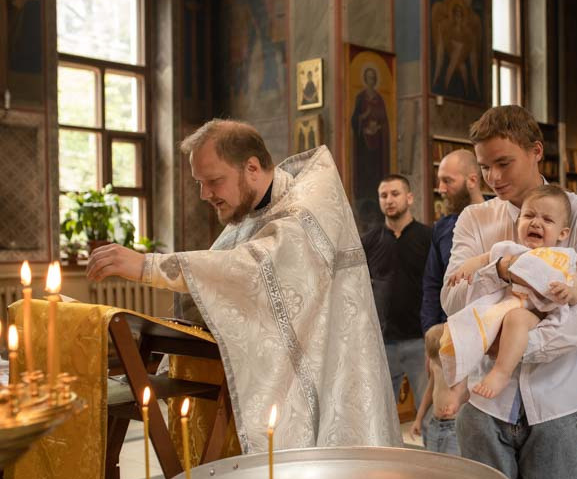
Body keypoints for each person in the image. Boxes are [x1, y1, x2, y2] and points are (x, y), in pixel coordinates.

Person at [86, 119, 401, 452]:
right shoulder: (254, 213)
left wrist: (146, 265)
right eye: (199, 182)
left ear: (252, 167)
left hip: (330, 381)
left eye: (213, 181)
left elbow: (249, 269)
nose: (205, 194)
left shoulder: (304, 212)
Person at [441, 105, 577, 479]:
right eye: (484, 167)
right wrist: (501, 266)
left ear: (535, 151)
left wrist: (521, 347)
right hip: (483, 407)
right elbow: (451, 301)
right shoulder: (476, 220)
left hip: (557, 399)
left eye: (504, 163)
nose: (493, 177)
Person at [444, 185, 577, 400]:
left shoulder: (562, 257)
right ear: (519, 222)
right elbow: (484, 259)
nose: (536, 222)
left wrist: (568, 292)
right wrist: (465, 269)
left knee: (516, 319)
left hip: (537, 312)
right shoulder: (510, 249)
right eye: (529, 215)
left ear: (562, 233)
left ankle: (501, 372)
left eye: (547, 220)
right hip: (508, 303)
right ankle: (458, 380)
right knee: (465, 321)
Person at [416, 149, 484, 454]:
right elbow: (432, 284)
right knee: (444, 414)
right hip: (449, 336)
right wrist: (431, 337)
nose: (440, 188)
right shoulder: (443, 227)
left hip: (488, 334)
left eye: (447, 180)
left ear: (472, 180)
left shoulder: (500, 215)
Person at [362, 175, 432, 410]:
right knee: (383, 413)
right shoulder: (370, 241)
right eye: (384, 196)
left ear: (409, 198)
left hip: (419, 339)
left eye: (395, 194)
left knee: (429, 410)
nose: (389, 200)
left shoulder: (427, 238)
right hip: (383, 341)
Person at [411, 323, 464, 455]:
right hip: (435, 424)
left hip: (454, 427)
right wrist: (418, 419)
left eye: (442, 359)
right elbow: (430, 391)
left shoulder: (462, 366)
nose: (441, 364)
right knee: (434, 465)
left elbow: (465, 393)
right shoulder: (435, 363)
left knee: (451, 469)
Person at [350, 66, 391, 233]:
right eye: (368, 77)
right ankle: (364, 211)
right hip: (363, 147)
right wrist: (363, 119)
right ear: (365, 80)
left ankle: (376, 212)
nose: (371, 80)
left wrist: (378, 128)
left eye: (373, 77)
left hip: (377, 148)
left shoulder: (380, 98)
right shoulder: (360, 98)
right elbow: (354, 120)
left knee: (376, 175)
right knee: (365, 179)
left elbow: (385, 122)